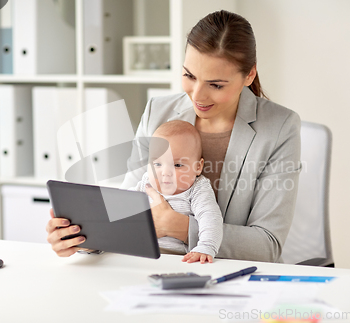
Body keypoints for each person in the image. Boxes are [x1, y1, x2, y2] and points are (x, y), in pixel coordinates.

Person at [46, 10, 301, 262]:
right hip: (152, 267)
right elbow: (128, 206)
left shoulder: (280, 127)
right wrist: (85, 239)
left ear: (249, 75)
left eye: (216, 85)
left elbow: (266, 246)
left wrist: (175, 225)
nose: (197, 96)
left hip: (230, 276)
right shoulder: (158, 111)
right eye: (189, 76)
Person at [130, 120, 223, 264]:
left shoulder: (198, 189)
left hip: (177, 257)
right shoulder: (146, 183)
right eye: (157, 164)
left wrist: (206, 247)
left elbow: (210, 218)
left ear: (198, 167)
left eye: (178, 165)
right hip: (140, 252)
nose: (165, 172)